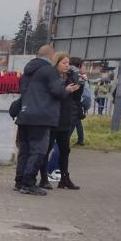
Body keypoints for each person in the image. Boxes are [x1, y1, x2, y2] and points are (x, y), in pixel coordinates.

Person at [13, 44, 79, 196]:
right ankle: (29, 183)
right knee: (38, 150)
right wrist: (67, 90)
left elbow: (23, 91)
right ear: (51, 56)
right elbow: (57, 91)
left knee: (24, 150)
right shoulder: (49, 71)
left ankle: (19, 180)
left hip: (24, 115)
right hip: (41, 116)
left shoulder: (27, 72)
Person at [44, 52, 83, 189]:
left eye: (68, 63)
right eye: (64, 63)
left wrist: (80, 84)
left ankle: (64, 178)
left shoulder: (70, 76)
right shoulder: (52, 76)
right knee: (47, 148)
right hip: (53, 117)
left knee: (65, 150)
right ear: (56, 63)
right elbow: (54, 94)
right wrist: (65, 90)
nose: (67, 66)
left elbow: (76, 97)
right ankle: (43, 178)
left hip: (65, 117)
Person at [70, 57, 90, 145]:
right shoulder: (81, 78)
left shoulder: (64, 75)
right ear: (80, 66)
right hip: (76, 107)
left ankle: (80, 140)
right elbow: (86, 96)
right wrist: (85, 108)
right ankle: (81, 140)